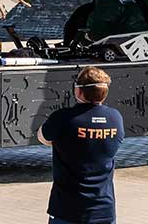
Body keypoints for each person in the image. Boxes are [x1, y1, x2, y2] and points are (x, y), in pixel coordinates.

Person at [37, 66, 122, 224]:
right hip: (104, 209)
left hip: (67, 210)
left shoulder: (63, 118)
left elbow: (42, 137)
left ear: (78, 91)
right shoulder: (115, 118)